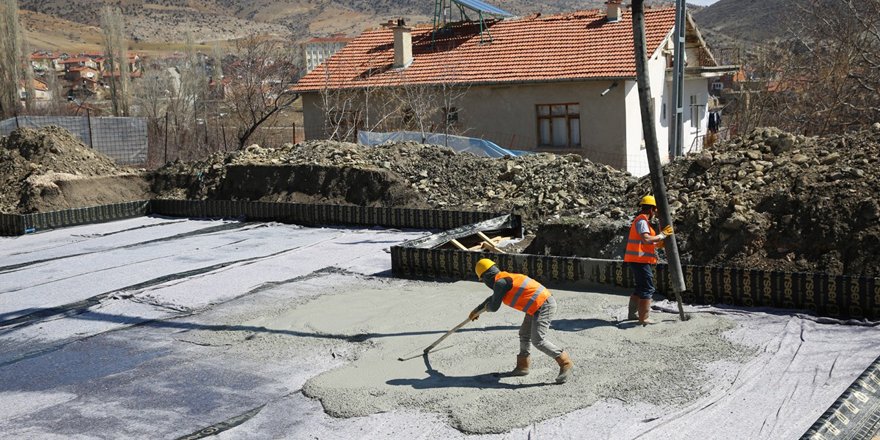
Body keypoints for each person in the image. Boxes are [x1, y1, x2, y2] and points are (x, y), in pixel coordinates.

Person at [468, 258, 573, 384]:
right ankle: (523, 367)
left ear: (486, 277)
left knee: (538, 340)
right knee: (524, 334)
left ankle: (565, 362)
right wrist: (477, 310)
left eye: (482, 280)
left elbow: (494, 306)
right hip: (535, 307)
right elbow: (493, 298)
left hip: (543, 304)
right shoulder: (502, 280)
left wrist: (485, 308)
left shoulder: (501, 283)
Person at [624, 195, 674, 326]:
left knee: (641, 287)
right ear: (652, 209)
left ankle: (632, 314)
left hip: (637, 259)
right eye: (655, 210)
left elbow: (647, 242)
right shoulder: (642, 221)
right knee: (648, 288)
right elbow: (646, 239)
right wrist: (661, 235)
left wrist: (659, 243)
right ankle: (643, 318)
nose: (655, 213)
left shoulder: (643, 222)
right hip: (639, 260)